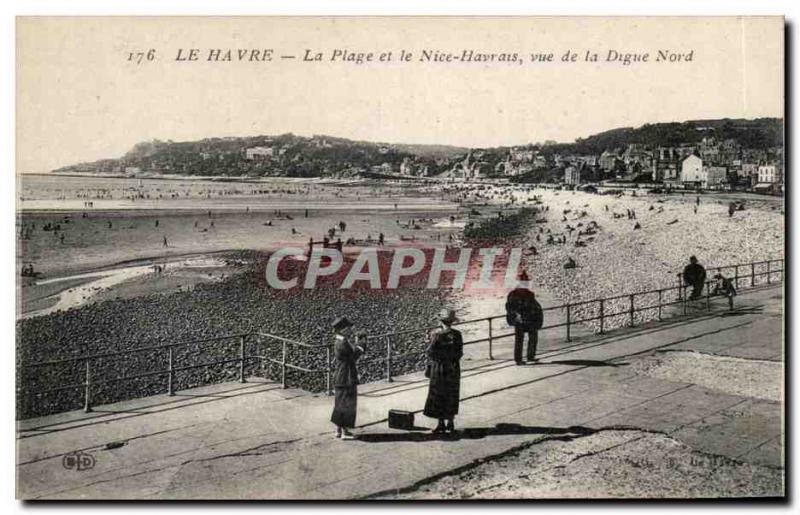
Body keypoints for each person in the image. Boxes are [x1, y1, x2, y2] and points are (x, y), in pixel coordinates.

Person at [424, 309, 464, 434]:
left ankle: (441, 423)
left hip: (439, 368)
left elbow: (430, 352)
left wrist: (428, 342)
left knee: (438, 394)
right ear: (452, 322)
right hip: (453, 367)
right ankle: (450, 423)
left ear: (441, 321)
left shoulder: (437, 335)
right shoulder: (457, 334)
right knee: (451, 394)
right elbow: (459, 352)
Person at [330, 317, 364, 440]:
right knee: (348, 403)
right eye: (348, 328)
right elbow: (354, 355)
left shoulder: (339, 340)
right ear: (343, 329)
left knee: (340, 402)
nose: (350, 330)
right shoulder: (343, 342)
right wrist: (361, 344)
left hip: (341, 375)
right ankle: (344, 432)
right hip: (347, 376)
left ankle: (340, 430)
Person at [505, 271, 544, 365]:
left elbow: (534, 306)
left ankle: (530, 356)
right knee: (519, 339)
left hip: (529, 319)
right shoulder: (514, 294)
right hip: (519, 320)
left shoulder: (529, 294)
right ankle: (518, 359)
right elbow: (509, 307)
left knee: (532, 337)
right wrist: (516, 315)